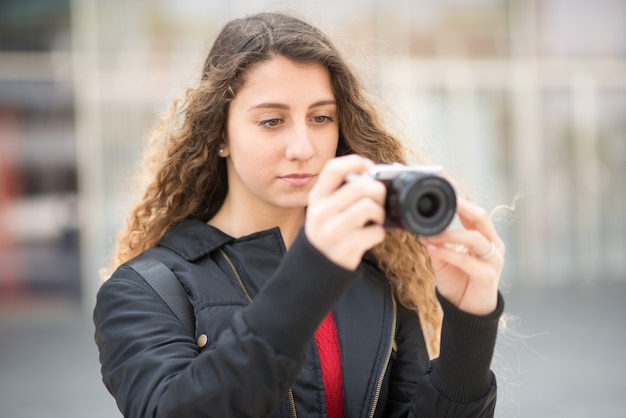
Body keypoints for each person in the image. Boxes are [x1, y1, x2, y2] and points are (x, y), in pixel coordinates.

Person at [93, 12, 506, 418]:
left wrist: (471, 326)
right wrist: (311, 274)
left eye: (321, 118)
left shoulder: (377, 279)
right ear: (219, 134)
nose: (303, 147)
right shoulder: (145, 290)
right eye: (272, 121)